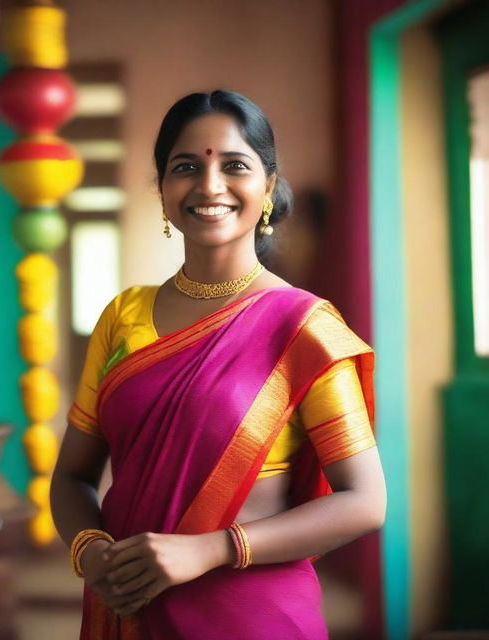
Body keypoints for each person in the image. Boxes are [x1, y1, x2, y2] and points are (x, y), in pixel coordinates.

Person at [50, 90, 386, 640]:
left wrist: (210, 549)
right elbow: (72, 474)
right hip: (128, 609)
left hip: (253, 614)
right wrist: (92, 552)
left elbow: (365, 501)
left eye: (234, 165)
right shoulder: (122, 316)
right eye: (186, 167)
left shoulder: (304, 328)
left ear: (269, 187)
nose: (209, 186)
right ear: (162, 190)